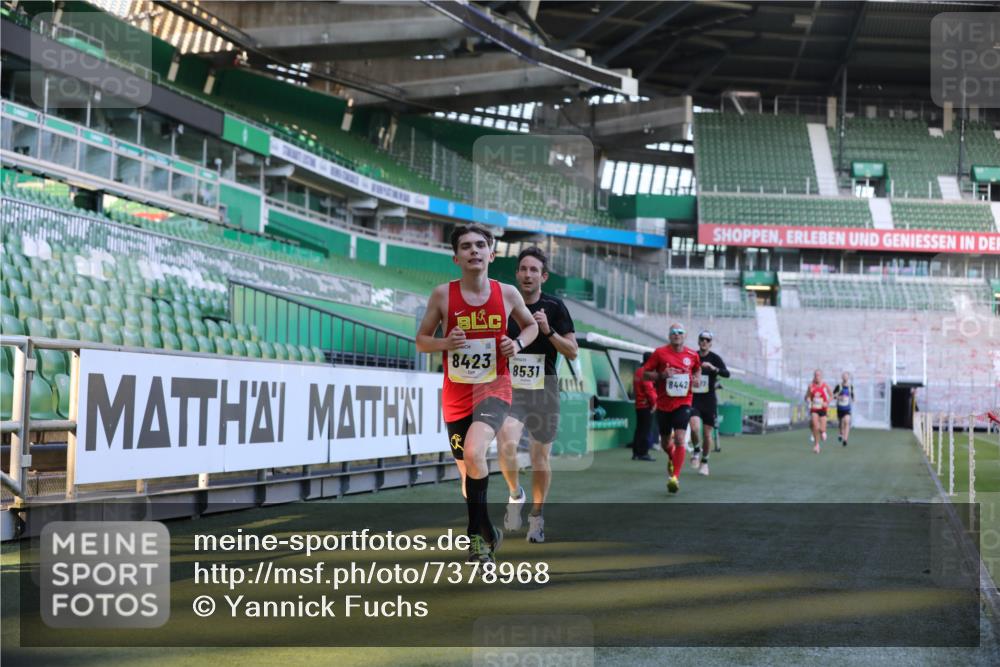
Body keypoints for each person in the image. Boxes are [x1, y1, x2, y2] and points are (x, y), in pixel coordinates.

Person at [415, 224, 538, 563]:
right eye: (466, 246)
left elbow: (530, 326)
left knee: (474, 451)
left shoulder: (508, 293)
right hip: (455, 396)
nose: (474, 251)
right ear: (456, 258)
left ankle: (475, 541)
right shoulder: (443, 295)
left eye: (480, 245)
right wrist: (444, 342)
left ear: (491, 254)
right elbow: (421, 340)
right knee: (468, 477)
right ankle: (487, 532)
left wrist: (517, 343)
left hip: (494, 388)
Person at [496, 247, 578, 544]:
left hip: (544, 387)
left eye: (534, 270)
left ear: (543, 276)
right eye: (523, 269)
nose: (528, 274)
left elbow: (572, 350)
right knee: (505, 442)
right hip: (511, 387)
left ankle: (536, 517)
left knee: (539, 456)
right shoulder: (504, 305)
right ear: (517, 274)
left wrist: (549, 331)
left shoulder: (555, 307)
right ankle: (515, 493)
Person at [641, 323, 701, 494]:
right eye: (673, 332)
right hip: (663, 404)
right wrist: (661, 375)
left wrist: (696, 379)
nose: (676, 335)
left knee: (681, 438)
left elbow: (697, 370)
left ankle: (674, 477)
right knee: (667, 443)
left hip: (684, 402)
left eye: (680, 332)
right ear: (669, 335)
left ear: (685, 335)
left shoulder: (692, 355)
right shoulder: (660, 353)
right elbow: (644, 374)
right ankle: (671, 455)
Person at [690, 330, 729, 476]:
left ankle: (705, 462)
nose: (704, 342)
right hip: (694, 398)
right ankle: (696, 450)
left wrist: (714, 369)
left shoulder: (715, 358)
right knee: (694, 428)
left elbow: (727, 373)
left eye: (707, 340)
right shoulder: (692, 356)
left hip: (709, 400)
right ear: (698, 341)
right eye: (702, 339)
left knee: (707, 434)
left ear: (711, 343)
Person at [631, 352, 657, 462]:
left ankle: (636, 453)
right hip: (646, 405)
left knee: (639, 430)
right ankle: (643, 453)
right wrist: (654, 403)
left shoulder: (638, 371)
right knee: (646, 430)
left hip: (639, 404)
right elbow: (649, 390)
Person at [804, 369, 831, 454]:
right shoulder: (811, 386)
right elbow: (806, 397)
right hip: (814, 409)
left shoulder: (825, 386)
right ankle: (816, 445)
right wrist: (808, 399)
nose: (817, 377)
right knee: (815, 426)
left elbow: (831, 396)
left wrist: (827, 402)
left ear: (821, 376)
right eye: (815, 375)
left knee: (822, 429)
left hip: (823, 410)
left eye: (818, 375)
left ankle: (823, 432)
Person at [832, 372, 855, 447]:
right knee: (841, 423)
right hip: (840, 408)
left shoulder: (850, 386)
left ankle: (845, 440)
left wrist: (853, 399)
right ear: (842, 377)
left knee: (847, 422)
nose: (845, 378)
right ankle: (841, 433)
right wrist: (839, 397)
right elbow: (833, 396)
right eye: (844, 376)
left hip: (847, 408)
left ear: (848, 378)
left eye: (846, 376)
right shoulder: (838, 386)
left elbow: (852, 395)